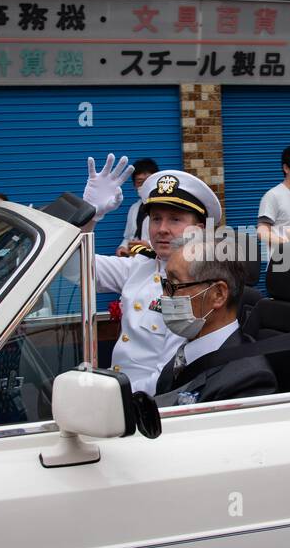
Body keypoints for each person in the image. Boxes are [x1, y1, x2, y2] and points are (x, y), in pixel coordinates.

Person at [79, 156, 224, 394]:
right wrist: (89, 217)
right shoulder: (140, 266)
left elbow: (166, 377)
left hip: (148, 407)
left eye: (175, 219)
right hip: (120, 391)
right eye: (156, 218)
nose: (162, 229)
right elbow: (78, 268)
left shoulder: (199, 287)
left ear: (199, 230)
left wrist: (109, 397)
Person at [152, 231, 277, 407]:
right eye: (165, 284)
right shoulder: (184, 356)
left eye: (174, 285)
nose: (164, 295)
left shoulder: (247, 379)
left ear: (218, 294)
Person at [117, 158, 159, 255]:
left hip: (156, 261)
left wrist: (149, 245)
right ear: (134, 185)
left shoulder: (166, 207)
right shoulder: (134, 208)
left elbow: (174, 240)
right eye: (140, 182)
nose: (145, 185)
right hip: (134, 260)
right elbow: (128, 237)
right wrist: (122, 247)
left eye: (148, 181)